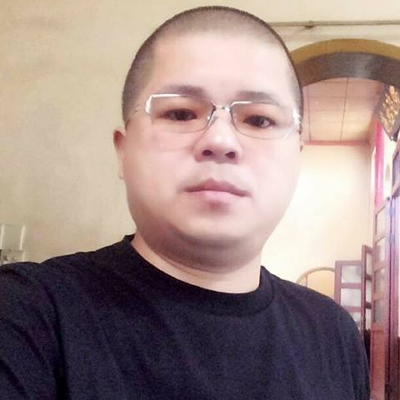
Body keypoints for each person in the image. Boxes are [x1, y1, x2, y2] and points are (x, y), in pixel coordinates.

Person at [0, 6, 369, 400]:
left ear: (297, 156)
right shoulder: (28, 315)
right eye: (180, 113)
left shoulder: (333, 333)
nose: (220, 141)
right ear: (124, 152)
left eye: (259, 120)